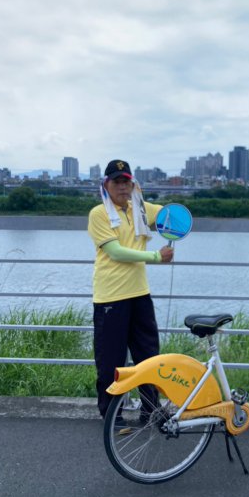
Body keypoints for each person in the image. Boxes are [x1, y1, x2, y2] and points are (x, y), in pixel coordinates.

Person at [88, 159, 173, 422]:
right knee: (111, 361)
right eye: (117, 181)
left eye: (127, 181)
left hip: (139, 294)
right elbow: (115, 252)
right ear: (106, 184)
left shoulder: (141, 209)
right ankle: (111, 415)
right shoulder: (99, 213)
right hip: (110, 297)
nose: (122, 187)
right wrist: (157, 257)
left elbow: (173, 214)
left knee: (148, 356)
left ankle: (151, 410)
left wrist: (179, 223)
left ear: (133, 184)